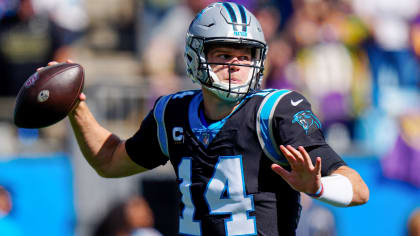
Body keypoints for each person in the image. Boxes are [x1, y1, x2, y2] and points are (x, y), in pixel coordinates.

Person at [43, 2, 369, 235]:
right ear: (196, 57)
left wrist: (318, 186)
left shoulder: (277, 111)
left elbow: (358, 188)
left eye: (246, 56)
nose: (236, 65)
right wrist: (76, 108)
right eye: (224, 54)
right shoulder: (172, 113)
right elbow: (110, 161)